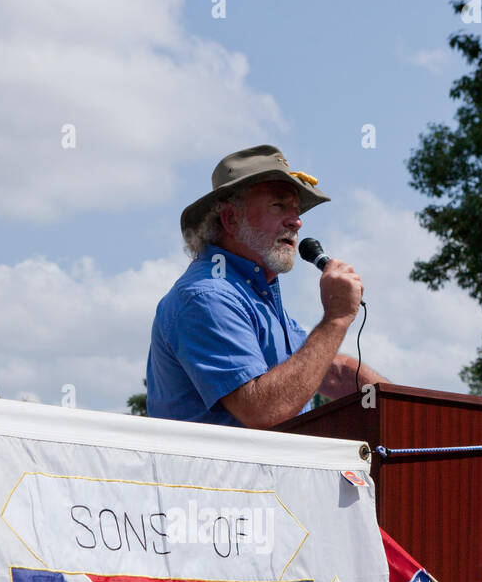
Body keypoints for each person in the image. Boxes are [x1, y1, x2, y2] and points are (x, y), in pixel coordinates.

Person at [147, 144, 387, 428]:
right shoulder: (207, 297)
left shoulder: (253, 292)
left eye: (297, 211)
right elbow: (263, 411)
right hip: (216, 474)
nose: (296, 222)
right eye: (279, 205)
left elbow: (330, 370)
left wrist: (406, 410)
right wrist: (335, 320)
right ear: (231, 219)